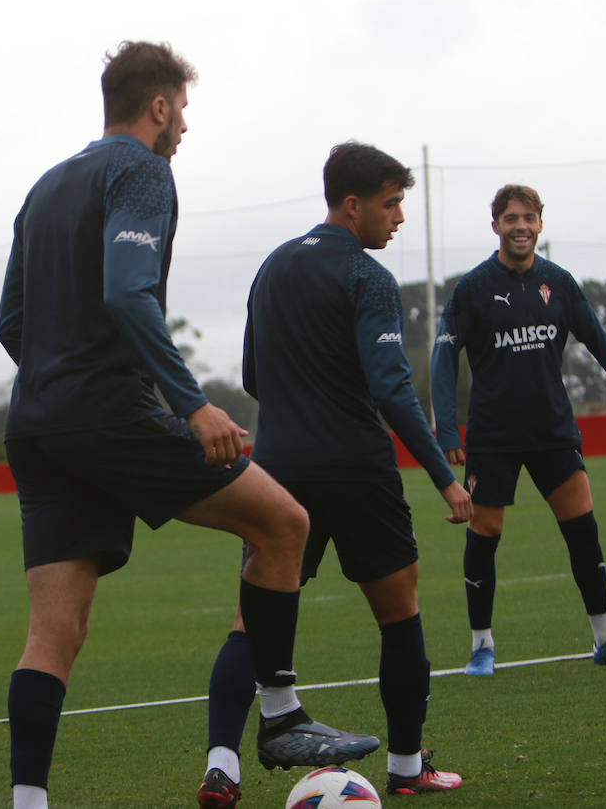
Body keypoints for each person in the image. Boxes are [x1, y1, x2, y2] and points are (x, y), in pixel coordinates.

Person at [0, 42, 376, 809]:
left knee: (55, 632)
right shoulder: (141, 171)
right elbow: (128, 294)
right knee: (283, 523)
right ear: (160, 106)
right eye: (184, 111)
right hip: (110, 413)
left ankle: (27, 804)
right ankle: (278, 717)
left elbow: (12, 322)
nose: (185, 129)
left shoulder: (44, 187)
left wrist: (61, 375)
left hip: (37, 423)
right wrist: (191, 402)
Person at [198, 142, 469, 805]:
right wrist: (445, 477)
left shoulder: (272, 268)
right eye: (390, 202)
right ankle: (407, 768)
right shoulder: (367, 276)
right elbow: (390, 389)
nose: (398, 217)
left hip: (279, 469)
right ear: (353, 205)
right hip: (357, 468)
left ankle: (223, 764)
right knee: (399, 615)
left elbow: (253, 376)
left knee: (248, 621)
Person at [430, 184, 606, 677]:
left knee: (583, 532)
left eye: (529, 217)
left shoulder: (559, 282)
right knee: (485, 534)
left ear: (540, 225)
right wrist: (447, 430)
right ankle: (481, 647)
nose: (521, 226)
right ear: (496, 227)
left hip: (553, 429)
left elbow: (597, 337)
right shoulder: (472, 289)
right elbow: (443, 356)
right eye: (511, 218)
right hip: (493, 436)